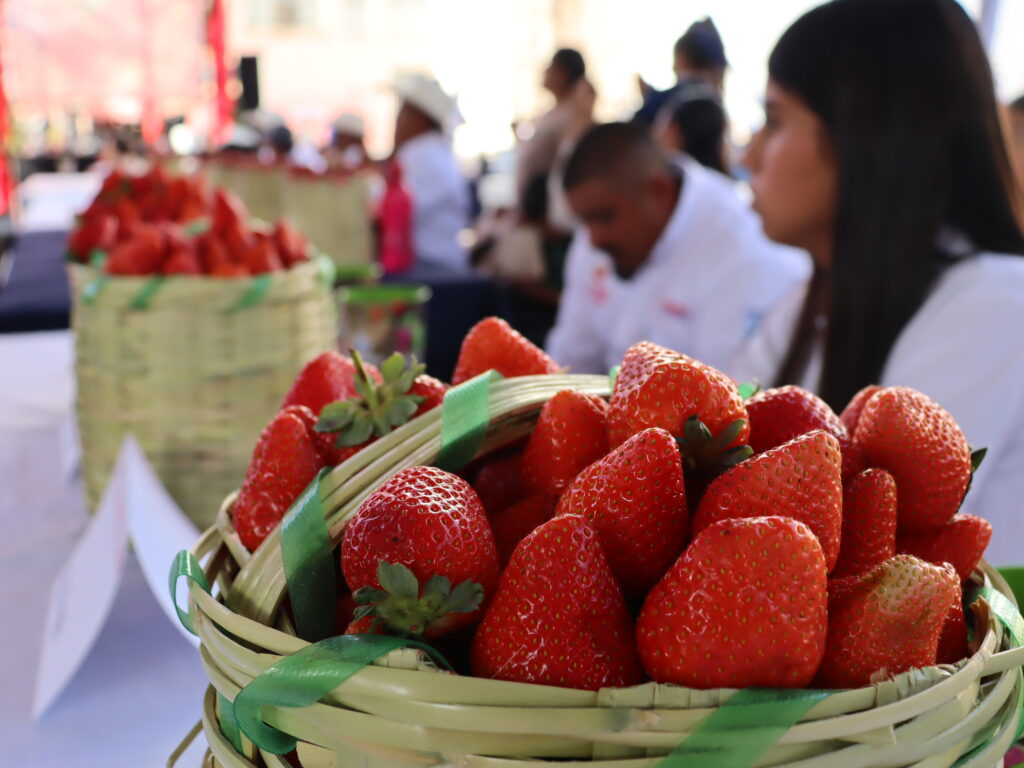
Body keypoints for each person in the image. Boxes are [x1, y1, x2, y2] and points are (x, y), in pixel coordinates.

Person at [731, 0, 1024, 566]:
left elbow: (877, 557)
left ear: (863, 134)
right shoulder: (810, 300)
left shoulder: (996, 304)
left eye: (774, 118)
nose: (750, 154)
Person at [546, 121, 809, 375]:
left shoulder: (742, 249)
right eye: (585, 221)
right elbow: (571, 359)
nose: (593, 239)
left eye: (605, 217)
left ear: (659, 191)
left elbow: (724, 404)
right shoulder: (595, 237)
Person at [391, 73, 470, 272]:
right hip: (441, 261)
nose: (397, 123)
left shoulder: (420, 154)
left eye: (403, 114)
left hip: (430, 264)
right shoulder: (434, 151)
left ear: (420, 119)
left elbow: (393, 211)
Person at [516, 48, 592, 206]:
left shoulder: (573, 116)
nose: (545, 71)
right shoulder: (557, 112)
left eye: (551, 67)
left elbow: (568, 170)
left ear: (563, 73)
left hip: (548, 217)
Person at [635, 17, 727, 127]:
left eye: (676, 60)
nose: (673, 68)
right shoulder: (716, 105)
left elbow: (639, 123)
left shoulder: (675, 97)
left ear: (683, 58)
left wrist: (650, 96)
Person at [654, 81, 730, 176]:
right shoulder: (728, 186)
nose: (655, 135)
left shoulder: (660, 184)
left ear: (674, 131)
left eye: (661, 127)